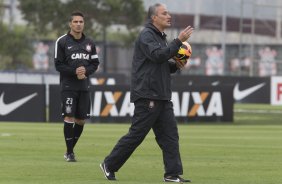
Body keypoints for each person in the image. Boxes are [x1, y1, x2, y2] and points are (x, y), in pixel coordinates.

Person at [100, 3, 193, 183]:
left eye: (168, 12)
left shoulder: (160, 38)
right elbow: (158, 56)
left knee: (170, 136)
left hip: (162, 95)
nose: (169, 15)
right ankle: (109, 164)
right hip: (148, 94)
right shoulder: (146, 35)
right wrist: (178, 41)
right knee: (137, 134)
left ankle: (172, 174)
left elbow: (162, 65)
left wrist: (176, 65)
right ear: (154, 18)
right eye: (164, 13)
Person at [54, 11, 99, 162]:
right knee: (69, 117)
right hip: (68, 86)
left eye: (81, 22)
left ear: (83, 24)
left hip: (84, 86)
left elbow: (95, 64)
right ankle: (70, 152)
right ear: (70, 24)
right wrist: (75, 71)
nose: (78, 24)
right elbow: (58, 65)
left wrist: (86, 71)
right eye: (75, 22)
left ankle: (69, 150)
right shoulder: (62, 42)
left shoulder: (90, 43)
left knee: (81, 120)